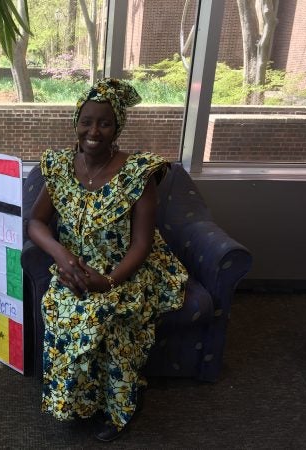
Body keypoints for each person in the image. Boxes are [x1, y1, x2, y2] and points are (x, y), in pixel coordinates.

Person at [27, 78, 188, 442]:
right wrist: (62, 254)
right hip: (74, 267)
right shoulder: (59, 167)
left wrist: (110, 280)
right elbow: (36, 222)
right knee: (62, 309)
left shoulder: (138, 173)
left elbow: (143, 244)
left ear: (117, 128)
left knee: (107, 317)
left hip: (128, 269)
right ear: (75, 122)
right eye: (87, 121)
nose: (94, 131)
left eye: (105, 122)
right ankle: (82, 401)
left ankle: (122, 407)